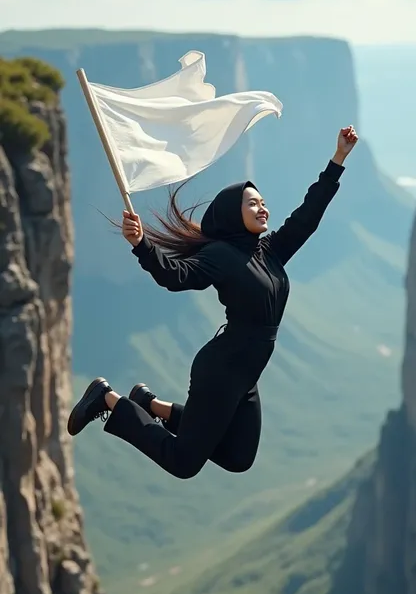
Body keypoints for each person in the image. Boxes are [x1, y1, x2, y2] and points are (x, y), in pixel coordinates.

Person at [67, 125, 359, 479]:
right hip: (222, 370)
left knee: (238, 457)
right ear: (233, 213)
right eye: (253, 203)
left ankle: (150, 405)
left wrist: (338, 159)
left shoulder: (270, 251)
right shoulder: (221, 255)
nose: (262, 208)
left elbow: (307, 217)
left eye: (263, 202)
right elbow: (176, 276)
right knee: (182, 462)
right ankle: (109, 400)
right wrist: (142, 244)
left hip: (245, 374)